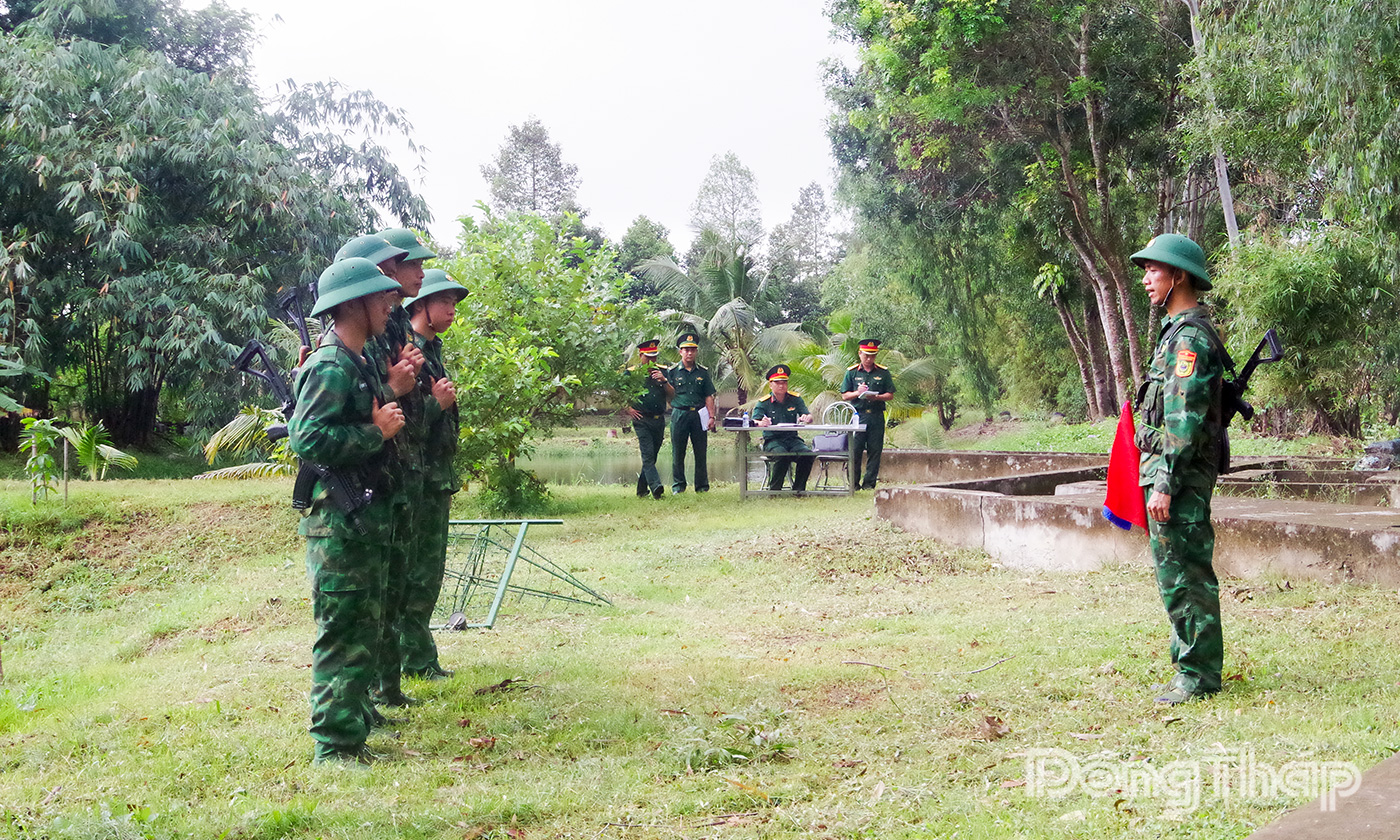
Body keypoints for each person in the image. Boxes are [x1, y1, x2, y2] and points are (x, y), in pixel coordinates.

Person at [288, 257, 406, 766]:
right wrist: (374, 433)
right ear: (353, 304)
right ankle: (333, 748)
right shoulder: (332, 365)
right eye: (381, 295)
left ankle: (353, 729)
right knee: (342, 632)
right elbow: (306, 437)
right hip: (336, 526)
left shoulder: (356, 362)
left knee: (362, 629)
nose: (390, 302)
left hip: (361, 518)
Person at [1131, 233, 1226, 706]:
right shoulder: (1176, 331)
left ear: (1179, 276)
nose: (1146, 279)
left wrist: (1165, 483)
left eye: (1154, 270)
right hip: (1169, 473)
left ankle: (1198, 675)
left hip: (1179, 477)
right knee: (1175, 572)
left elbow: (1183, 420)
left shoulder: (1188, 338)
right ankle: (1189, 662)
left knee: (1185, 572)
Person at [398, 269, 467, 680]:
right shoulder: (408, 352)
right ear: (420, 305)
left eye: (455, 303)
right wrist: (436, 406)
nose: (452, 309)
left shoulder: (431, 350)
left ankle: (418, 656)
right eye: (446, 301)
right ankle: (414, 660)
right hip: (416, 477)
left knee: (428, 571)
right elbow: (402, 425)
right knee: (417, 572)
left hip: (434, 475)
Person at [840, 338, 896, 489]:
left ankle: (869, 483)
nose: (869, 358)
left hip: (876, 415)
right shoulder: (851, 373)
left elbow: (890, 394)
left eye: (872, 355)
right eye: (866, 355)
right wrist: (858, 393)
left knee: (875, 450)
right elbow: (844, 395)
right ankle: (853, 483)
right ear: (860, 354)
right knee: (855, 450)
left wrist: (876, 397)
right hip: (858, 415)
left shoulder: (883, 372)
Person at [665, 332, 717, 494]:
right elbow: (667, 394)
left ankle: (701, 486)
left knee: (700, 451)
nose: (689, 353)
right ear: (680, 351)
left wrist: (711, 416)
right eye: (686, 350)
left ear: (696, 352)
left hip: (699, 415)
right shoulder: (672, 372)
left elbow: (709, 395)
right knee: (678, 452)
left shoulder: (702, 372)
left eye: (692, 350)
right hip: (679, 414)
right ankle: (678, 486)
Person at [751, 364, 815, 492]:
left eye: (784, 383)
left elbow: (808, 414)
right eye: (778, 383)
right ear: (770, 385)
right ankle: (775, 490)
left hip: (792, 439)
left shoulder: (795, 399)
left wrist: (807, 418)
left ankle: (798, 489)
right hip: (773, 440)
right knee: (782, 455)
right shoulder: (764, 402)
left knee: (808, 455)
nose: (781, 386)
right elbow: (753, 420)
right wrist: (760, 423)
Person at [626, 339, 674, 499]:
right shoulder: (631, 373)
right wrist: (628, 408)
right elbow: (617, 393)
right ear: (641, 356)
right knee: (647, 454)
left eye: (654, 357)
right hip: (641, 419)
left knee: (652, 456)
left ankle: (641, 490)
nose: (652, 361)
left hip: (659, 419)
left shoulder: (663, 372)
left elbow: (673, 395)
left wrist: (664, 381)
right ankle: (656, 487)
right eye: (648, 357)